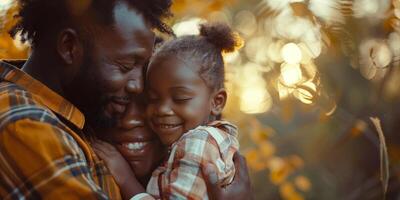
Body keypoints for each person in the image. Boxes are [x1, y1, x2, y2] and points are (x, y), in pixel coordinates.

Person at [0, 0, 251, 199]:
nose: (137, 85)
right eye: (125, 65)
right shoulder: (25, 122)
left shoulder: (74, 118)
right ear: (69, 47)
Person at [93, 22, 245, 199]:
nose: (163, 110)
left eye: (180, 98)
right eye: (154, 100)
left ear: (217, 102)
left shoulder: (199, 143)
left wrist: (126, 179)